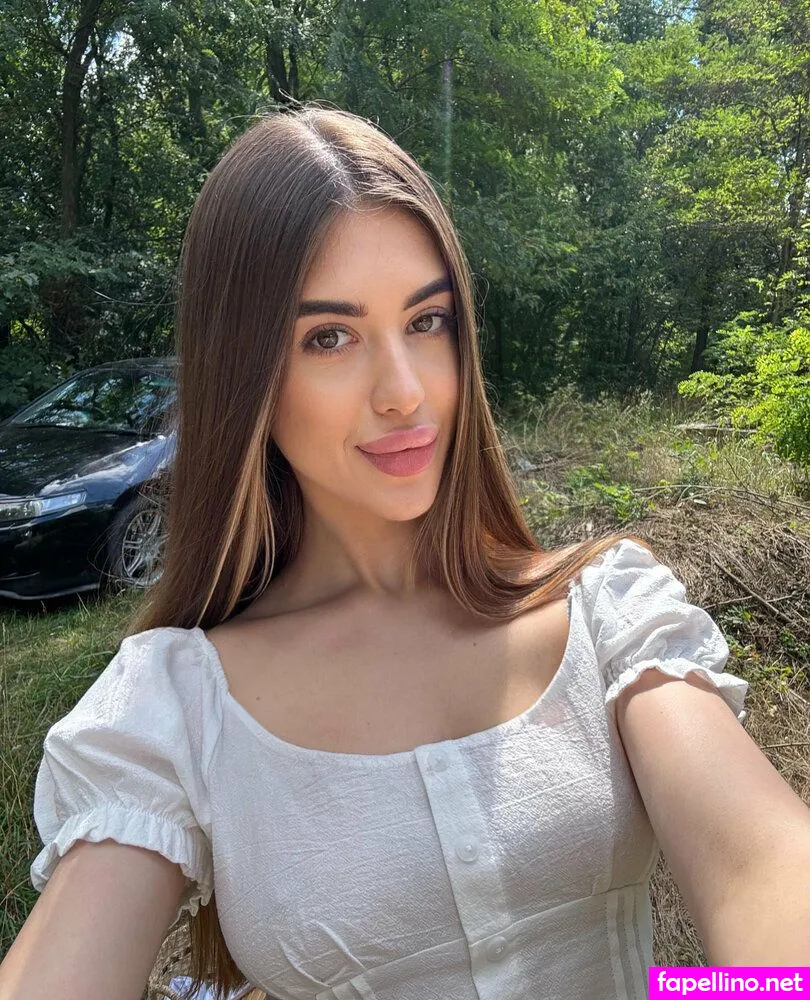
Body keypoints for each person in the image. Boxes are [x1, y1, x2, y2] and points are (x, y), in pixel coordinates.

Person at [1, 103, 808, 1000]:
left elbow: (763, 871)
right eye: (330, 337)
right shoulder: (177, 707)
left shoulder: (605, 611)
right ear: (245, 374)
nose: (404, 392)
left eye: (427, 322)